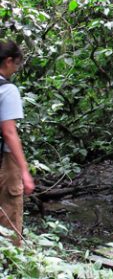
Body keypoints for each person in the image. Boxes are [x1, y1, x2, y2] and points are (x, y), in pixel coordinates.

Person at [0, 40, 35, 245]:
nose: (16, 69)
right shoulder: (8, 89)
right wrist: (24, 171)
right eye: (16, 64)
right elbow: (9, 132)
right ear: (8, 61)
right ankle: (10, 265)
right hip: (5, 160)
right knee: (10, 215)